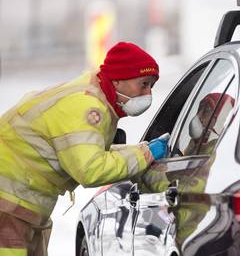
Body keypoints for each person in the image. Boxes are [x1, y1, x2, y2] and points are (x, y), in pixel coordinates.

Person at [0, 42, 169, 256]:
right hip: (10, 201)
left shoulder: (94, 96)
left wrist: (139, 150)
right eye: (143, 84)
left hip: (20, 201)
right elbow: (91, 169)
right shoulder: (87, 107)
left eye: (151, 86)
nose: (148, 94)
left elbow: (89, 152)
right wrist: (146, 154)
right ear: (118, 79)